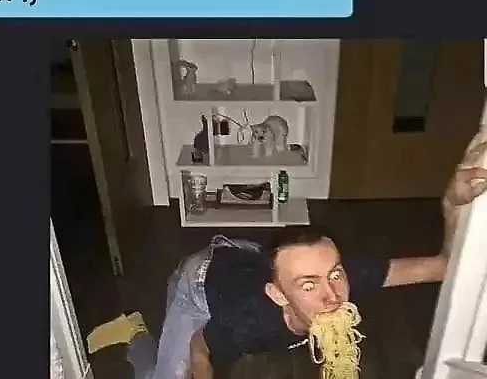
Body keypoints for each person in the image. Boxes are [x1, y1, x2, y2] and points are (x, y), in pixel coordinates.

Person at [86, 131, 487, 379]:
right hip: (201, 280)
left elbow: (443, 266)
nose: (333, 297)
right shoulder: (248, 321)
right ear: (278, 294)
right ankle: (135, 332)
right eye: (309, 286)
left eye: (334, 274)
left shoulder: (343, 278)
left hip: (252, 258)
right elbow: (200, 350)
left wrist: (454, 203)